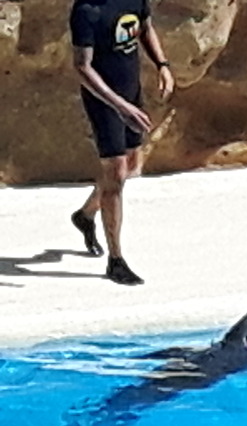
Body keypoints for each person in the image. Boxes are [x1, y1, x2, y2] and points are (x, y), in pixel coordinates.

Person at [69, 0, 173, 286]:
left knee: (131, 165)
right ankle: (116, 261)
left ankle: (85, 215)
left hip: (131, 92)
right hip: (104, 100)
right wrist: (120, 107)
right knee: (115, 175)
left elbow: (146, 28)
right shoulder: (86, 10)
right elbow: (82, 67)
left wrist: (162, 65)